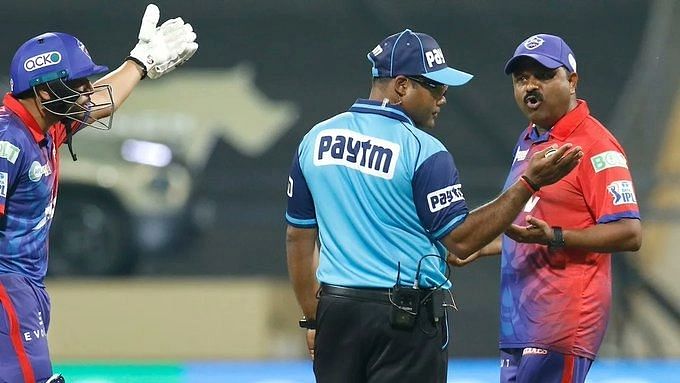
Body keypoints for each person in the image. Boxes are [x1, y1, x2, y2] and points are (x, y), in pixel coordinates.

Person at [285, 28, 583, 383]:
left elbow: (298, 238)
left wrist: (313, 318)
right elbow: (460, 240)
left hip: (337, 313)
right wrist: (529, 183)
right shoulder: (423, 150)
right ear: (401, 87)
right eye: (436, 87)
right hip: (404, 320)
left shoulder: (316, 139)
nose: (443, 98)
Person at [0, 4, 197, 383]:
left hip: (23, 286)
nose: (87, 90)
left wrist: (140, 62)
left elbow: (100, 102)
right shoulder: (8, 140)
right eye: (76, 83)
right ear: (44, 90)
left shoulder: (40, 125)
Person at [461, 34, 642, 383]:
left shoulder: (596, 145)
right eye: (521, 78)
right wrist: (486, 246)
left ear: (572, 81)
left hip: (562, 319)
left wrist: (558, 237)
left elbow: (629, 233)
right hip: (519, 321)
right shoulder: (530, 138)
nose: (530, 86)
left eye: (543, 75)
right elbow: (536, 229)